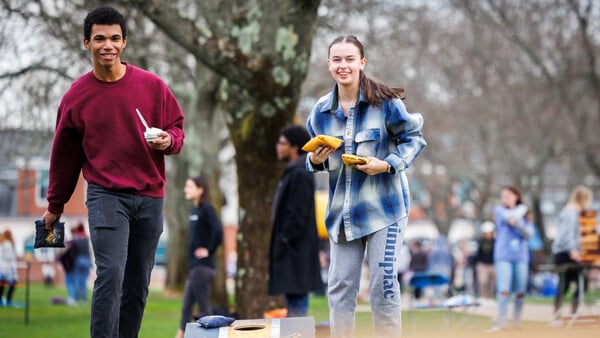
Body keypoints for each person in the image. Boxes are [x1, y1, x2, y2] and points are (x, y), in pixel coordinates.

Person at [40, 6, 184, 337]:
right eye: (100, 38)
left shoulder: (152, 86)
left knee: (137, 283)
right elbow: (64, 157)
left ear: (125, 42)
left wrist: (168, 140)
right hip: (106, 195)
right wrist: (55, 205)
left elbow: (176, 130)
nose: (108, 45)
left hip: (150, 195)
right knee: (111, 273)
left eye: (115, 38)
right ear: (86, 43)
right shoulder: (77, 95)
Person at [305, 35, 426, 337]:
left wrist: (386, 164)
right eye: (336, 59)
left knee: (382, 285)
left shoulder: (385, 103)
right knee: (340, 287)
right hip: (342, 213)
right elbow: (316, 161)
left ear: (362, 62)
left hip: (384, 208)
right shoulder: (320, 112)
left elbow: (414, 139)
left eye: (349, 59)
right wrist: (318, 160)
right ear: (329, 64)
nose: (342, 65)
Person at [268, 125, 324, 317]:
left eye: (282, 143)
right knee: (293, 306)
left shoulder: (299, 173)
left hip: (295, 253)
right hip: (293, 253)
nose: (277, 147)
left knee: (297, 312)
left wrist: (284, 240)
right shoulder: (294, 172)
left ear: (294, 147)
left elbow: (296, 214)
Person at [176, 177, 223, 338]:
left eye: (189, 186)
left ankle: (211, 336)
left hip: (203, 267)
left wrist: (208, 251)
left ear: (200, 189)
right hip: (194, 267)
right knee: (186, 307)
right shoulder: (194, 211)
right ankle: (180, 334)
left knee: (204, 309)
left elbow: (218, 231)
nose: (185, 189)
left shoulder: (207, 209)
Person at [488, 186, 533, 332]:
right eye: (503, 196)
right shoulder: (499, 210)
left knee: (520, 291)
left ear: (516, 196)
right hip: (503, 256)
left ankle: (516, 322)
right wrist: (521, 210)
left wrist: (519, 220)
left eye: (508, 195)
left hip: (520, 256)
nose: (505, 198)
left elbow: (529, 234)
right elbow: (509, 218)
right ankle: (502, 321)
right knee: (504, 289)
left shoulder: (526, 216)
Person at [551, 185, 594, 323]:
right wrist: (573, 251)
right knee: (570, 283)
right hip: (566, 252)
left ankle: (570, 315)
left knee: (569, 284)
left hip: (566, 251)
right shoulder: (571, 212)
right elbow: (568, 234)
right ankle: (563, 315)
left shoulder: (575, 212)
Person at [64, 222, 92, 305]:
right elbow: (89, 251)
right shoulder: (86, 239)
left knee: (77, 281)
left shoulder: (74, 240)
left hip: (78, 260)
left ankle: (75, 299)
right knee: (83, 281)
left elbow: (68, 247)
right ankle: (83, 300)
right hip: (87, 260)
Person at [474, 221, 495, 299]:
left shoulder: (496, 242)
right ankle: (482, 296)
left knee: (492, 283)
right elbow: (477, 254)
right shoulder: (480, 241)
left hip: (493, 264)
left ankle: (490, 297)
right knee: (483, 282)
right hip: (482, 264)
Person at [0, 230, 18, 307]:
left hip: (4, 265)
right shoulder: (7, 243)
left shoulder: (2, 243)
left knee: (2, 282)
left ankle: (3, 299)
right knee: (12, 282)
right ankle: (8, 300)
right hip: (7, 265)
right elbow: (10, 256)